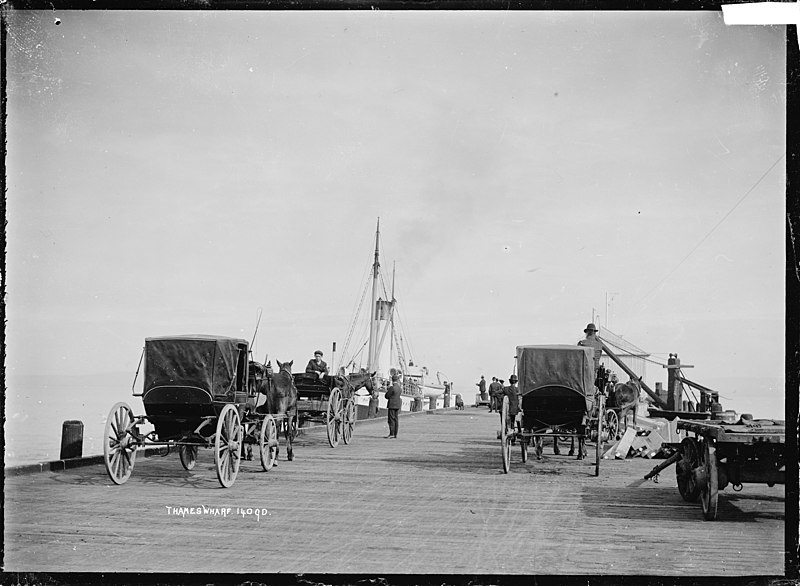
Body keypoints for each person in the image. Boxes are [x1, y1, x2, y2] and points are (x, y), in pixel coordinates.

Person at [385, 373, 402, 438]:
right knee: (396, 419)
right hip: (397, 405)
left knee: (391, 419)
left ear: (392, 380)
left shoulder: (392, 388)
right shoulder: (399, 388)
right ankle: (395, 434)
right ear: (397, 380)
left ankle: (391, 433)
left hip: (391, 405)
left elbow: (387, 396)